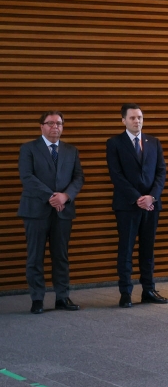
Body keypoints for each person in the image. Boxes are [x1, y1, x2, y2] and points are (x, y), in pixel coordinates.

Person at [19, 111, 84, 313]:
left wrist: (65, 196)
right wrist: (51, 196)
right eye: (50, 123)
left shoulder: (70, 150)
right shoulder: (29, 148)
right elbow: (27, 177)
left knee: (61, 256)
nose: (55, 126)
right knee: (35, 257)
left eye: (59, 123)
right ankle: (37, 299)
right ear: (41, 126)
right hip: (36, 210)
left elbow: (78, 177)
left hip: (63, 211)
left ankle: (62, 297)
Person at [106, 103, 168, 307]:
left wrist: (151, 197)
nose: (137, 121)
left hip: (151, 205)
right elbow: (116, 175)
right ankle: (125, 292)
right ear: (123, 120)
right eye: (132, 118)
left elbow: (161, 173)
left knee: (148, 249)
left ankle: (148, 289)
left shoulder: (153, 142)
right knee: (126, 250)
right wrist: (138, 198)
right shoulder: (114, 143)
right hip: (127, 205)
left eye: (140, 117)